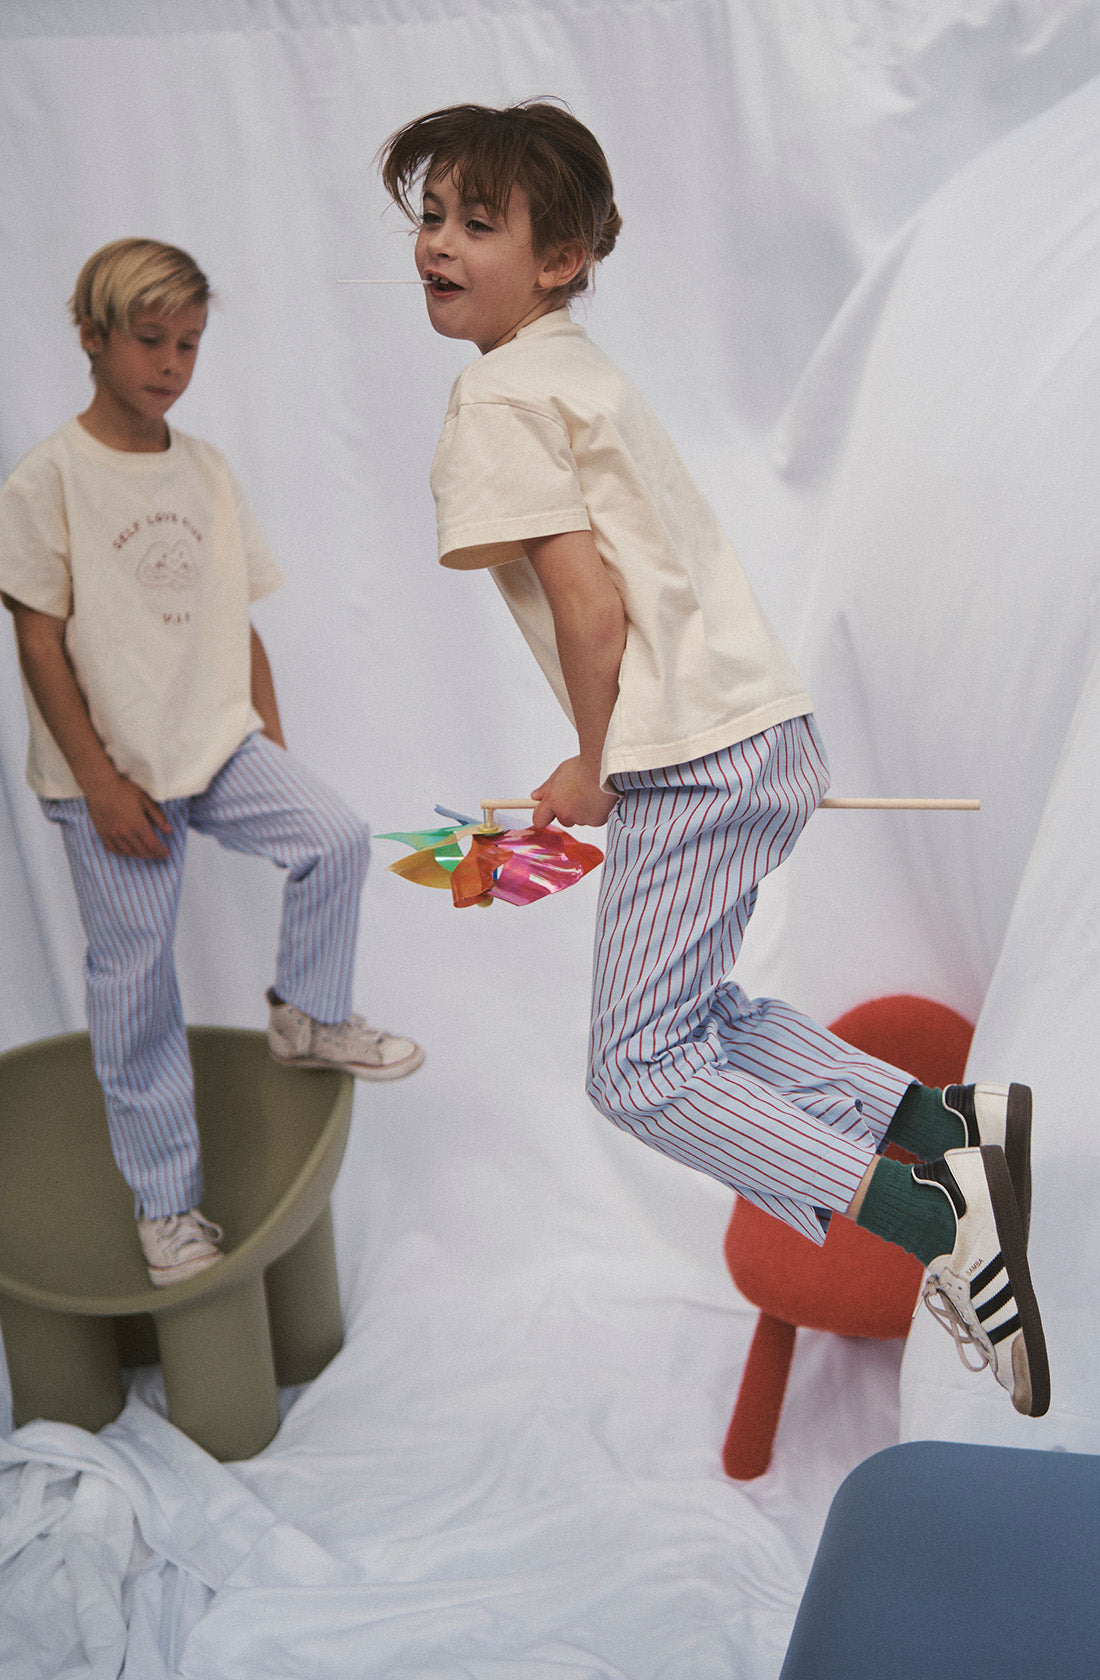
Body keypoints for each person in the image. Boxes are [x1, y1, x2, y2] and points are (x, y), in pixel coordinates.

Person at [379, 101, 1049, 1417]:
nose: (436, 244)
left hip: (687, 755)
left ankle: (933, 1225)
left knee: (635, 1064)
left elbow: (588, 603)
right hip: (764, 735)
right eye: (429, 216)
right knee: (703, 1019)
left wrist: (595, 764)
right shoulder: (579, 368)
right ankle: (951, 1131)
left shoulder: (500, 397)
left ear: (562, 255)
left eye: (476, 221)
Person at [0, 238, 422, 1287]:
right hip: (116, 774)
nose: (171, 364)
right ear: (91, 336)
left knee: (335, 835)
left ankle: (308, 1015)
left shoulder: (206, 469)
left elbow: (236, 617)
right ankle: (167, 1211)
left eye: (189, 344)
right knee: (136, 988)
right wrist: (97, 781)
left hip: (215, 742)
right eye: (150, 341)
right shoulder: (48, 478)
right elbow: (39, 640)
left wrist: (267, 737)